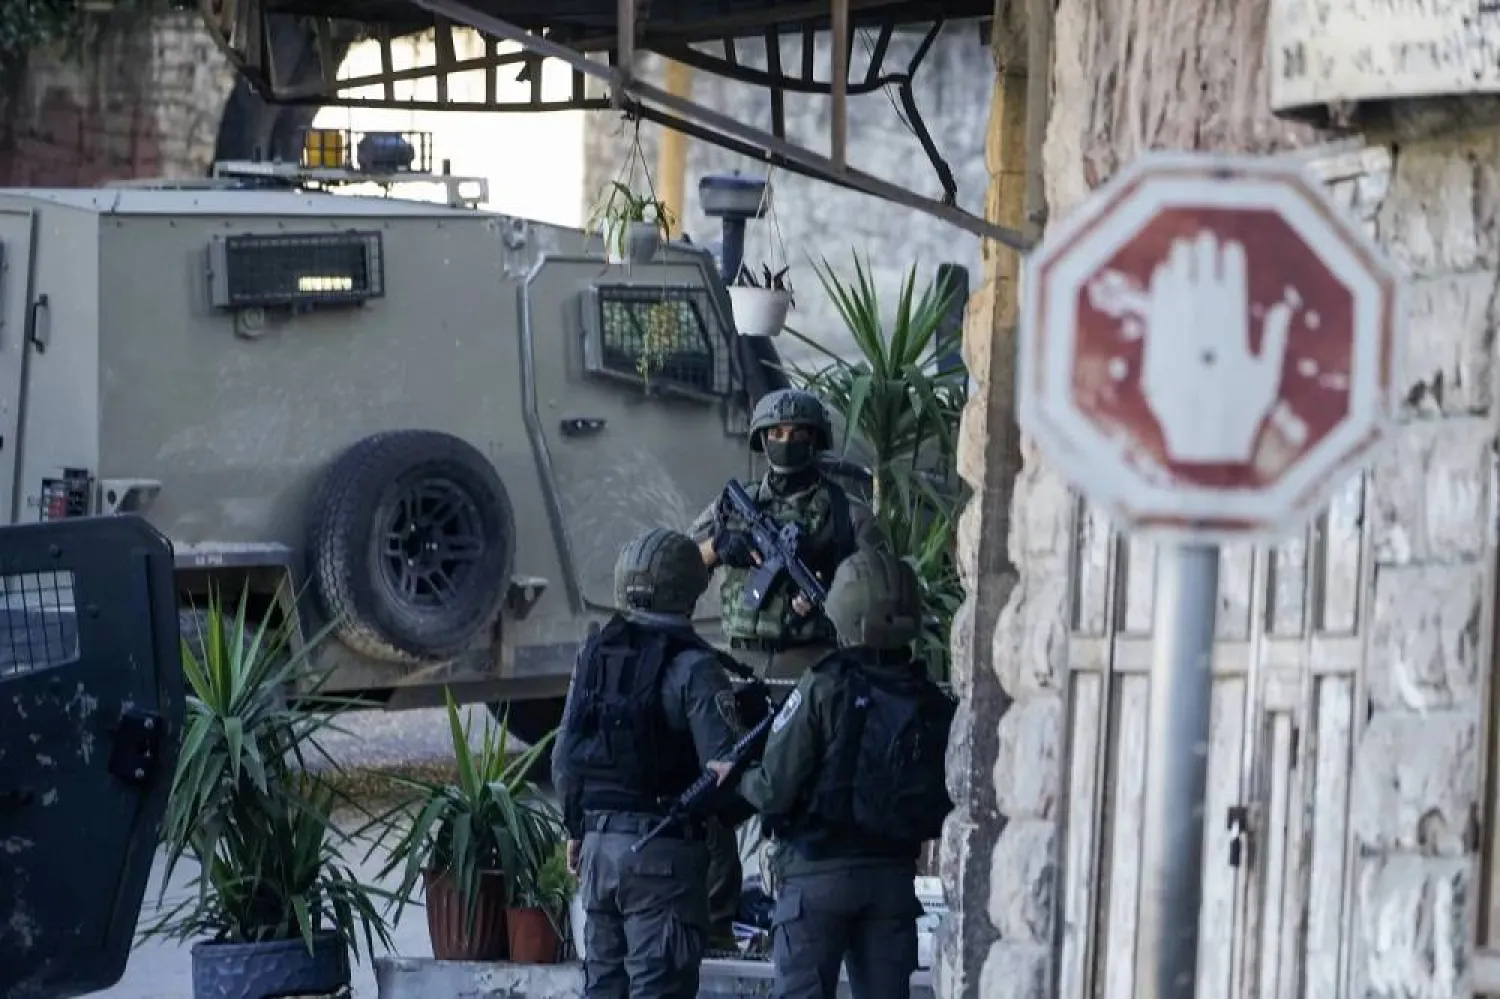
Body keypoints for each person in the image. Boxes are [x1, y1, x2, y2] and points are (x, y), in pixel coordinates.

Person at [690, 386, 889, 950]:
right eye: (775, 434)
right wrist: (720, 546)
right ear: (760, 440)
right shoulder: (733, 505)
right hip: (739, 668)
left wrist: (830, 600)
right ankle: (717, 921)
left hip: (813, 671)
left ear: (816, 440)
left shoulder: (848, 515)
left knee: (803, 796)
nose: (786, 442)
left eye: (798, 434)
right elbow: (678, 566)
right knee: (712, 789)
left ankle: (798, 920)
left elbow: (880, 594)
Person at [707, 548, 956, 999]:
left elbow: (774, 788)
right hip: (892, 880)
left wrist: (737, 775)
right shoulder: (928, 697)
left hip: (816, 876)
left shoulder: (824, 684)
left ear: (844, 613)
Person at [551, 527, 750, 999]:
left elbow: (564, 757)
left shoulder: (594, 654)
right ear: (688, 591)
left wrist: (577, 830)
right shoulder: (695, 667)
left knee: (603, 988)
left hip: (598, 853)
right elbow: (724, 775)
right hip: (662, 859)